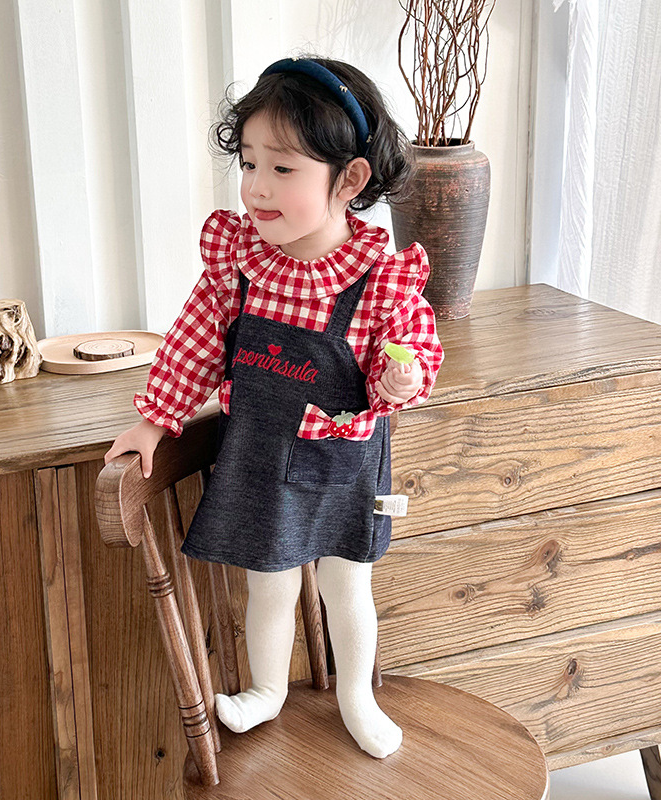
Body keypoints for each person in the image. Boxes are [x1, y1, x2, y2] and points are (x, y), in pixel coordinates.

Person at [104, 56, 444, 759]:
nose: (257, 187)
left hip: (340, 463)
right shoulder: (241, 265)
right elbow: (194, 343)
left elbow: (411, 353)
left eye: (283, 168)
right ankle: (266, 690)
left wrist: (397, 379)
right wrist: (155, 419)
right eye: (249, 163)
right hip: (259, 459)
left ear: (348, 179)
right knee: (270, 585)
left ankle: (357, 697)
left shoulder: (379, 280)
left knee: (346, 587)